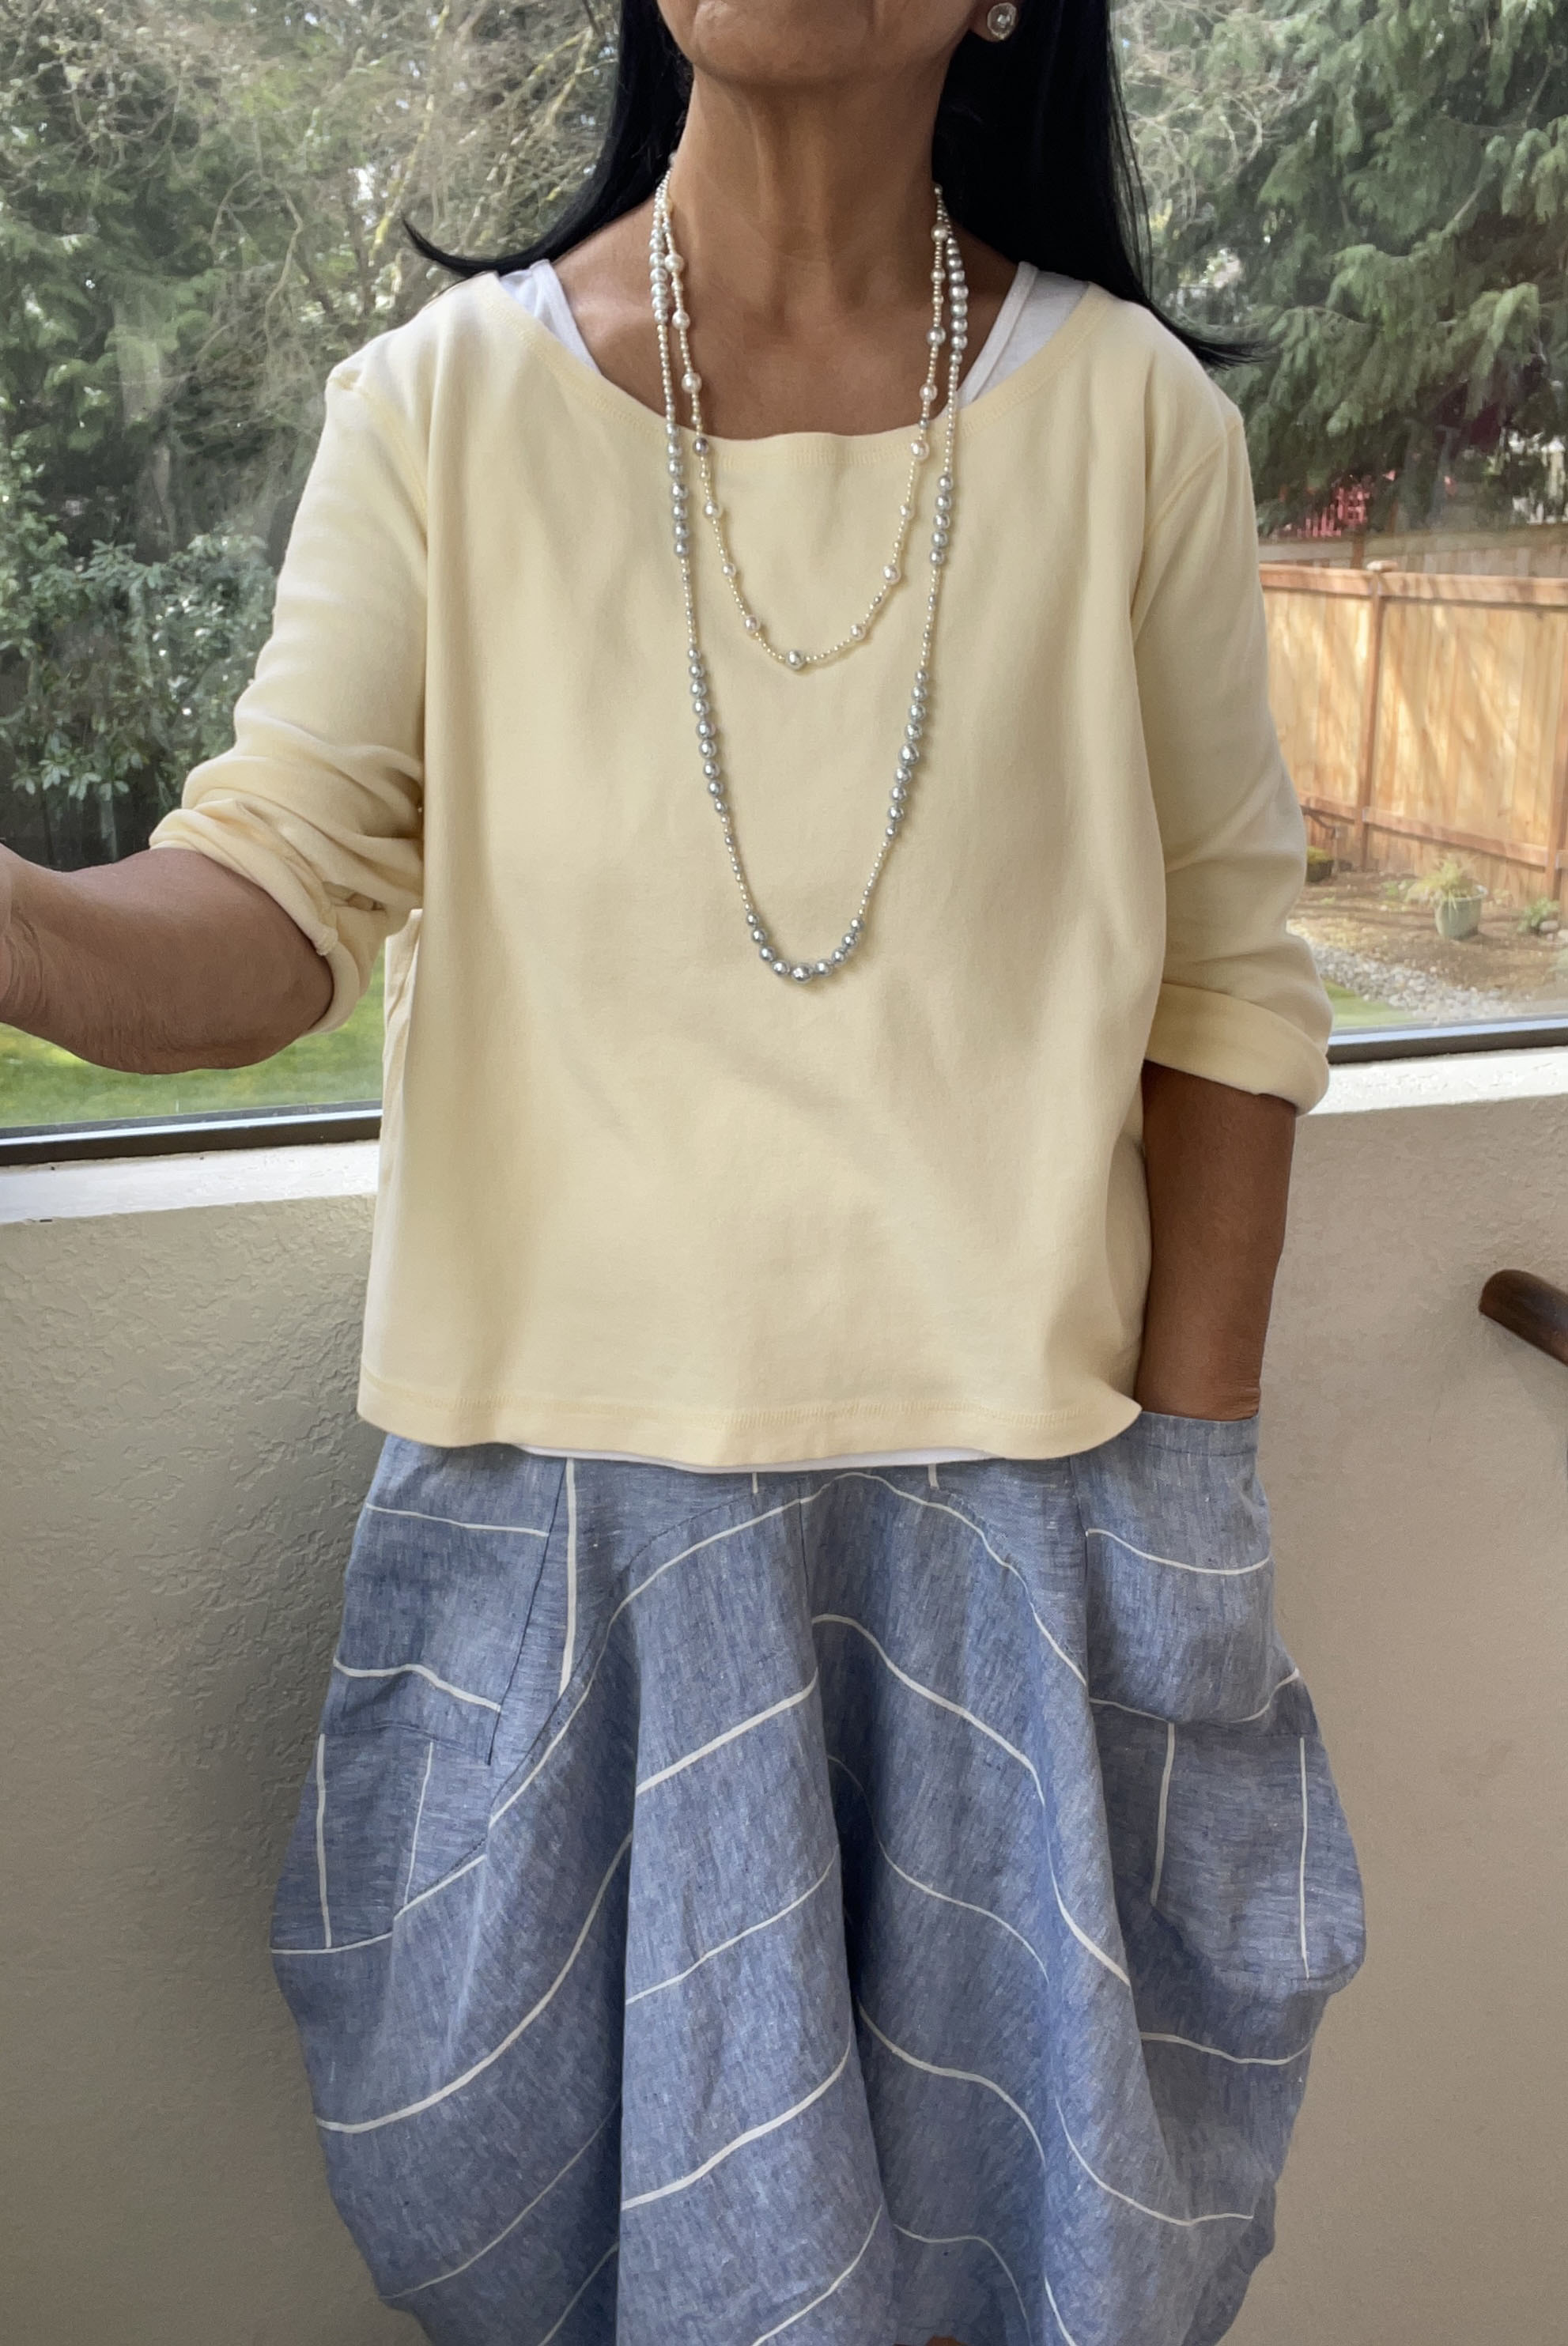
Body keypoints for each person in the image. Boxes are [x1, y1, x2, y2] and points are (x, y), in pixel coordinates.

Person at [0, 2, 1366, 2340]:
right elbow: (267, 904)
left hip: (1024, 1554)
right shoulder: (438, 412)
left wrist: (1187, 1512)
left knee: (1023, 2270)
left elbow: (1228, 999)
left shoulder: (1136, 421)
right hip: (569, 1565)